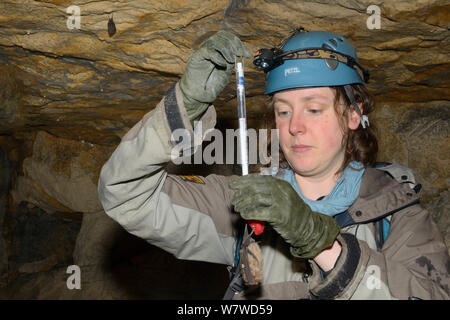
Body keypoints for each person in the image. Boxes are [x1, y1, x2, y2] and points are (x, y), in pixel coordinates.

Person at [97, 30, 450, 299]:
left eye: (313, 108)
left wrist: (322, 244)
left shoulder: (397, 214)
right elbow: (126, 195)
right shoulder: (244, 205)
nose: (295, 126)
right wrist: (184, 107)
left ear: (354, 114)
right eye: (283, 111)